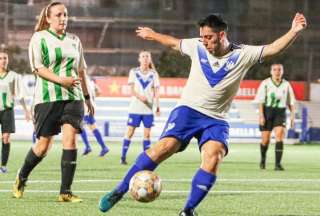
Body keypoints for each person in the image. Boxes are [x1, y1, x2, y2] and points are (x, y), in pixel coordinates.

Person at [99, 13, 307, 215]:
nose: (204, 41)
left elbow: (273, 48)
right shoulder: (196, 46)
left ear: (222, 35)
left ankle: (188, 210)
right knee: (165, 147)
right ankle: (119, 190)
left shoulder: (243, 54)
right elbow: (173, 42)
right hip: (188, 110)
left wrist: (294, 31)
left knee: (213, 157)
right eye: (203, 36)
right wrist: (153, 34)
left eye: (209, 37)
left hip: (217, 119)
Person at [13, 1, 94, 203]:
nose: (63, 18)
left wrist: (87, 97)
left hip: (73, 97)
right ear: (48, 18)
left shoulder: (75, 40)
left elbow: (81, 71)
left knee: (71, 139)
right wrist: (61, 80)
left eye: (65, 14)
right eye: (58, 15)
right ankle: (21, 176)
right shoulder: (39, 38)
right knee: (43, 146)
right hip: (47, 98)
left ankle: (65, 192)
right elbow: (38, 68)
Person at [120, 51, 160, 165]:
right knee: (130, 132)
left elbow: (157, 91)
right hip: (135, 108)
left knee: (147, 134)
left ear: (150, 59)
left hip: (148, 109)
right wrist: (140, 96)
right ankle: (123, 157)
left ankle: (145, 160)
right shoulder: (133, 72)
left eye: (147, 56)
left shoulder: (154, 74)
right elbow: (132, 90)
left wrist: (157, 106)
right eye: (143, 56)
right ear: (139, 59)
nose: (145, 58)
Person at [256, 63, 295, 171]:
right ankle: (263, 160)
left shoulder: (286, 85)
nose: (277, 72)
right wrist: (261, 116)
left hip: (280, 112)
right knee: (265, 140)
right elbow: (260, 101)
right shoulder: (265, 83)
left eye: (279, 70)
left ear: (282, 71)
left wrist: (292, 117)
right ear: (271, 71)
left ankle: (277, 164)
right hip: (267, 111)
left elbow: (291, 102)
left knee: (279, 136)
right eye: (275, 70)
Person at [0, 51, 31, 173]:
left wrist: (26, 111)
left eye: (5, 58)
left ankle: (3, 165)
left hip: (7, 110)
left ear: (8, 60)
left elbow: (20, 94)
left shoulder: (13, 76)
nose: (3, 60)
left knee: (6, 138)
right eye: (1, 58)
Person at [81, 75, 109, 156]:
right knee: (82, 127)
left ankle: (102, 147)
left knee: (88, 127)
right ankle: (88, 147)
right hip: (90, 107)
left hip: (86, 108)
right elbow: (99, 92)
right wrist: (93, 98)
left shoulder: (82, 80)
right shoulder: (91, 81)